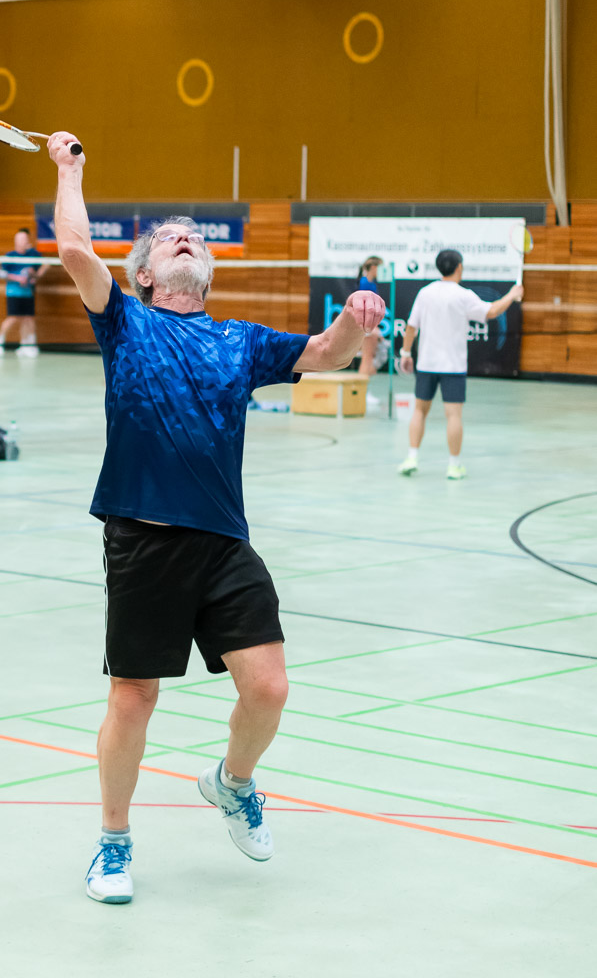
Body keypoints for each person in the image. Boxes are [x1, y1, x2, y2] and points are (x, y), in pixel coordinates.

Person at [47, 129, 384, 906]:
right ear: (143, 273)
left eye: (193, 236)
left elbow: (324, 354)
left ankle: (232, 782)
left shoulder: (240, 341)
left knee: (268, 688)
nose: (184, 237)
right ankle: (112, 841)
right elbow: (72, 249)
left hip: (224, 541)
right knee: (134, 698)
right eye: (168, 237)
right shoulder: (124, 322)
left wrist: (352, 319)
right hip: (143, 539)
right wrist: (69, 169)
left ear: (206, 269)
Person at [399, 248, 524, 480]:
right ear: (459, 267)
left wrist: (406, 353)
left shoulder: (425, 293)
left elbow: (411, 326)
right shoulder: (463, 295)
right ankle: (454, 466)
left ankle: (411, 458)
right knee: (454, 416)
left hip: (426, 364)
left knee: (419, 411)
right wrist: (511, 295)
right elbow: (492, 311)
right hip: (453, 367)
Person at [0, 228, 47, 357]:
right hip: (14, 293)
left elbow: (47, 264)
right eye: (21, 239)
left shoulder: (32, 254)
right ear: (16, 241)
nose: (23, 241)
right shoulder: (10, 256)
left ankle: (26, 345)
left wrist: (35, 276)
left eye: (25, 239)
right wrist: (17, 278)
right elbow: (0, 273)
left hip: (27, 292)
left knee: (28, 319)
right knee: (13, 318)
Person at [356, 255, 385, 406]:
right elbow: (365, 308)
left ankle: (363, 392)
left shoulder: (370, 283)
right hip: (366, 326)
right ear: (374, 268)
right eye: (380, 268)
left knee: (369, 359)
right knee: (366, 359)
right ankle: (362, 394)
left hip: (370, 326)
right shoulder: (365, 283)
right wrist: (371, 328)